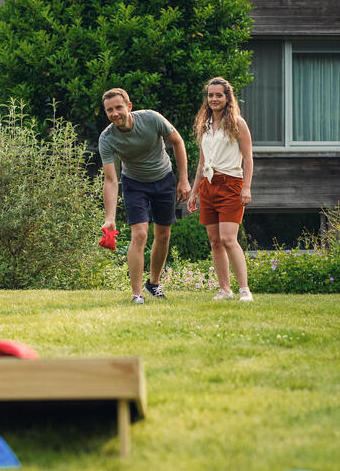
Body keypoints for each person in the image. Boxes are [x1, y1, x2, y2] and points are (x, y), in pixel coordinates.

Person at [100, 88, 192, 304]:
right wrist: (110, 217)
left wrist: (184, 179)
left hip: (163, 179)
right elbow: (111, 180)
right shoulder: (107, 138)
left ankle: (154, 283)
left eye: (118, 108)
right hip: (134, 184)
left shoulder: (151, 119)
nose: (114, 114)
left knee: (163, 235)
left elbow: (177, 141)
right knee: (140, 234)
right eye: (109, 110)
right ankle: (137, 294)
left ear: (129, 107)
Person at [186, 77, 254, 301]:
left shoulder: (238, 123)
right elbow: (202, 162)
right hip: (208, 185)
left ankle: (244, 289)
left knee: (228, 238)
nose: (214, 99)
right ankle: (225, 289)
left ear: (227, 97)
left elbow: (248, 157)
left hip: (231, 184)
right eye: (210, 95)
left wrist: (246, 187)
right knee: (214, 240)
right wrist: (195, 191)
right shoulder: (204, 126)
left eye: (219, 95)